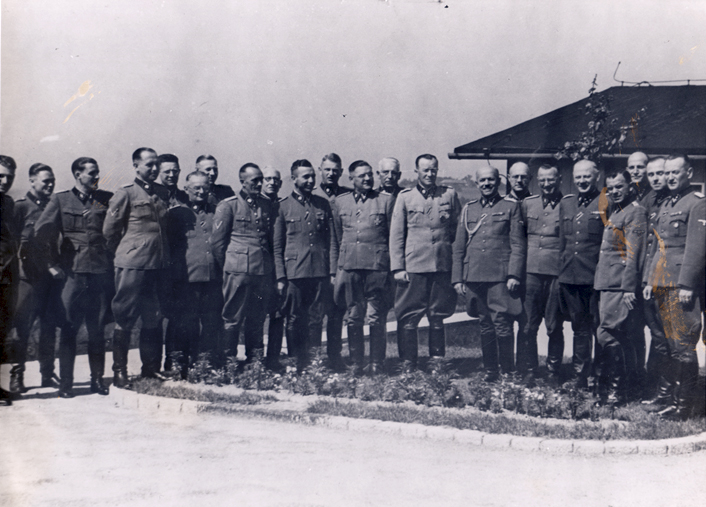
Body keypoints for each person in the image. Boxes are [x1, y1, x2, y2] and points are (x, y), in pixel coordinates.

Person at [34, 157, 114, 397]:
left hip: (100, 273)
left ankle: (97, 380)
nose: (96, 177)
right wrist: (50, 264)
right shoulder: (60, 200)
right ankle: (66, 383)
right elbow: (40, 234)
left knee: (97, 329)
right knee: (69, 328)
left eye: (97, 172)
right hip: (73, 275)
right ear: (78, 175)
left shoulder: (105, 199)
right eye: (91, 173)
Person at [103, 147, 170, 387]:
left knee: (153, 317)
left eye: (156, 165)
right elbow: (109, 232)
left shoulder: (162, 193)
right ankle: (119, 371)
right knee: (125, 317)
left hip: (156, 266)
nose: (154, 169)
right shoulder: (125, 193)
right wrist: (126, 255)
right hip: (132, 266)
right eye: (149, 164)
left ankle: (150, 369)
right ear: (136, 166)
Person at [644, 154, 705, 419]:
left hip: (680, 286)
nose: (668, 177)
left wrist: (687, 284)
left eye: (674, 172)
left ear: (688, 173)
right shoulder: (668, 203)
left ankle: (685, 406)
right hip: (661, 283)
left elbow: (696, 248)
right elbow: (659, 246)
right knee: (668, 344)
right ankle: (669, 398)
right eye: (665, 173)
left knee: (682, 345)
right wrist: (650, 279)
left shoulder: (697, 204)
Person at [452, 166, 525, 381]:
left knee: (502, 324)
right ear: (476, 184)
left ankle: (508, 372)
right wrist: (457, 278)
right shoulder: (468, 209)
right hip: (474, 276)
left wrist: (514, 274)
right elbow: (459, 246)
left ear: (499, 182)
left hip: (500, 277)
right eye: (482, 181)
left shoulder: (511, 206)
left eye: (491, 180)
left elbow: (517, 245)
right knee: (485, 325)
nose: (486, 184)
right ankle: (491, 372)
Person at [390, 154, 460, 369]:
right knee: (409, 316)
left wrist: (455, 266)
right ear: (416, 172)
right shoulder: (405, 197)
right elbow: (397, 234)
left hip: (441, 265)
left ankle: (436, 363)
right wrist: (398, 267)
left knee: (437, 315)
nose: (430, 174)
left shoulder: (448, 195)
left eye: (434, 170)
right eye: (426, 170)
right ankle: (408, 363)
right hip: (413, 266)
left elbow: (456, 231)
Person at [331, 160, 395, 374]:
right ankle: (357, 363)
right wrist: (336, 269)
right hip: (350, 268)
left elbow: (392, 237)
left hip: (377, 268)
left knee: (376, 316)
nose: (368, 179)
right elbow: (338, 238)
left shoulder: (385, 201)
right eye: (361, 176)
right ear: (351, 179)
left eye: (370, 175)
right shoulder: (340, 202)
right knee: (354, 316)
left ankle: (377, 363)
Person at [273, 159, 336, 371]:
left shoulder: (322, 204)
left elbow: (331, 242)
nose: (311, 180)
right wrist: (281, 277)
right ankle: (295, 362)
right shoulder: (282, 207)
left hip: (319, 271)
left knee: (316, 319)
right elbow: (277, 246)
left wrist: (332, 271)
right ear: (294, 179)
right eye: (305, 177)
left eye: (312, 176)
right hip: (294, 273)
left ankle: (314, 363)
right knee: (293, 319)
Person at [212, 163, 275, 364]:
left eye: (260, 179)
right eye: (254, 180)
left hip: (261, 272)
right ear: (242, 182)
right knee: (232, 318)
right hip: (237, 272)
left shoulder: (267, 204)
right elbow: (218, 244)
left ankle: (255, 363)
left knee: (257, 319)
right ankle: (228, 363)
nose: (259, 183)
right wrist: (231, 265)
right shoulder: (228, 205)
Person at [594, 169, 647, 405]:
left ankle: (617, 391)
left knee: (610, 335)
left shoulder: (635, 212)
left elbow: (634, 253)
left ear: (630, 186)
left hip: (619, 286)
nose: (614, 191)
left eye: (619, 186)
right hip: (607, 283)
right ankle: (611, 389)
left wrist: (628, 288)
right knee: (608, 335)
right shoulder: (617, 211)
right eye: (610, 188)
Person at [165, 171, 222, 376]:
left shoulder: (217, 212)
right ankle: (179, 363)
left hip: (213, 278)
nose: (200, 191)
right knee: (185, 322)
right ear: (186, 189)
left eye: (205, 187)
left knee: (210, 321)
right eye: (196, 187)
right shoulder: (176, 214)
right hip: (187, 278)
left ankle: (204, 362)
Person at [10, 162, 59, 393]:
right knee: (23, 329)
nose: (50, 184)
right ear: (32, 181)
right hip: (27, 278)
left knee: (49, 327)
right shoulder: (20, 207)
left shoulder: (54, 205)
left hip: (50, 280)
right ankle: (17, 376)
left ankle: (47, 374)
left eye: (52, 180)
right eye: (45, 180)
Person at [556, 160, 607, 385]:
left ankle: (600, 375)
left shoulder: (607, 201)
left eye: (587, 176)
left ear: (597, 177)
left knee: (599, 328)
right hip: (571, 277)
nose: (582, 181)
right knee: (579, 328)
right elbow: (562, 244)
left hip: (596, 278)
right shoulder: (566, 204)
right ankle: (580, 374)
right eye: (578, 177)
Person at [516, 164, 563, 386]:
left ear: (559, 179)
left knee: (554, 325)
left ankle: (553, 371)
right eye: (542, 180)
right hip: (531, 273)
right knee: (528, 325)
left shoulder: (568, 204)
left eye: (550, 180)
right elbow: (520, 238)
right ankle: (529, 370)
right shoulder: (527, 204)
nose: (546, 184)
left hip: (555, 274)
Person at [310, 153, 351, 365]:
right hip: (316, 265)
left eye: (335, 170)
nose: (331, 173)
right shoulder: (311, 194)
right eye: (327, 169)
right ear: (320, 170)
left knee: (337, 314)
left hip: (342, 263)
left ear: (341, 172)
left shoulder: (348, 195)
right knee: (315, 315)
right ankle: (315, 361)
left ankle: (335, 358)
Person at [639, 157, 671, 404]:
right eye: (652, 175)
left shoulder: (675, 201)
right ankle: (651, 386)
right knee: (655, 334)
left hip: (665, 280)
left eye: (660, 173)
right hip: (645, 278)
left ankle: (665, 391)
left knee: (665, 338)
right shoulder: (646, 201)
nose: (657, 178)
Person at [261, 167, 287, 370]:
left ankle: (272, 359)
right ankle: (254, 360)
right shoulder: (255, 205)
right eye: (267, 178)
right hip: (256, 268)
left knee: (278, 316)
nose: (271, 182)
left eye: (275, 179)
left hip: (278, 269)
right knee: (254, 316)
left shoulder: (282, 205)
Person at [0, 155, 18, 404]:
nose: (5, 181)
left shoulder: (8, 203)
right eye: (0, 175)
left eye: (9, 177)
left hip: (6, 276)